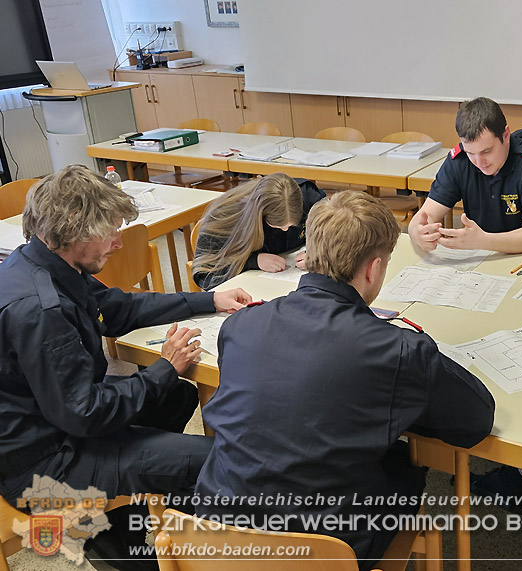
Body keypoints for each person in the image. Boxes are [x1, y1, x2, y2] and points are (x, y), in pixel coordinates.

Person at [195, 191, 495, 570]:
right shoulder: (398, 349)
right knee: (407, 467)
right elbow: (475, 422)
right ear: (373, 269)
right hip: (324, 550)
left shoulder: (241, 323)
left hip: (217, 535)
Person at [0, 165, 251, 570]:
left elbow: (119, 307)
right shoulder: (41, 310)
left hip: (54, 427)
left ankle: (116, 529)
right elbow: (84, 412)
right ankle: (158, 557)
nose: (118, 243)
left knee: (179, 395)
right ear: (71, 229)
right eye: (110, 232)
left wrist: (209, 300)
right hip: (43, 466)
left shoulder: (44, 263)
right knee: (215, 461)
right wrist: (164, 367)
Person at [408, 96, 522, 254]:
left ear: (506, 135)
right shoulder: (459, 160)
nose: (479, 162)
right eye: (471, 152)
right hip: (481, 256)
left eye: (487, 151)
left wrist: (484, 241)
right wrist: (417, 232)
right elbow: (426, 215)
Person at [192, 173, 325, 290]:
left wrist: (318, 254)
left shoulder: (308, 196)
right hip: (253, 290)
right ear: (259, 215)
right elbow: (204, 274)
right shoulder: (224, 217)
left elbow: (336, 235)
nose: (285, 230)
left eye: (291, 226)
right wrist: (252, 262)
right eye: (277, 226)